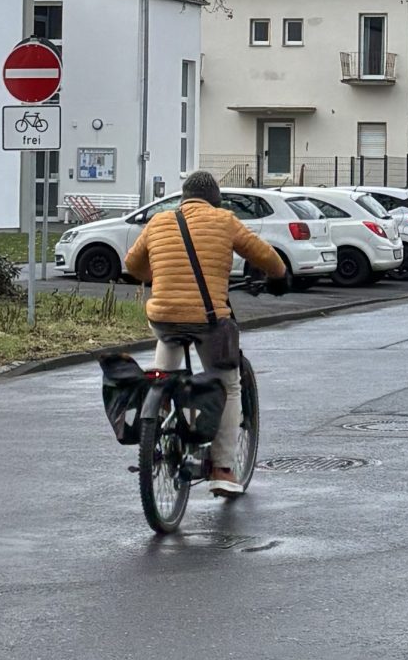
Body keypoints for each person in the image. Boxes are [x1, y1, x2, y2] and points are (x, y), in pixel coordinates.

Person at [122, 170, 287, 495]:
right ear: (216, 200)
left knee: (162, 373)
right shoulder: (224, 220)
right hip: (209, 320)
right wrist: (279, 276)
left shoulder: (158, 222)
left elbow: (133, 265)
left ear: (184, 199)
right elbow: (265, 255)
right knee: (228, 383)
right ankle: (223, 469)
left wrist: (158, 275)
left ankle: (159, 421)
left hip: (164, 318)